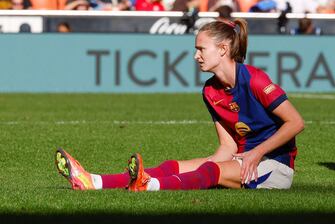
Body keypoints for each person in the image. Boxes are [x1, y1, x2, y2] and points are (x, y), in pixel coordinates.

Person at [55, 18, 304, 191]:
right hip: (242, 159)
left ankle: (149, 186)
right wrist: (207, 162)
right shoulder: (210, 90)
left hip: (275, 167)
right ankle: (94, 181)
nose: (196, 55)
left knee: (209, 172)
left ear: (223, 49)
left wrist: (256, 153)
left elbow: (296, 122)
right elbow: (227, 146)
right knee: (175, 166)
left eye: (200, 49)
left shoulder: (255, 79)